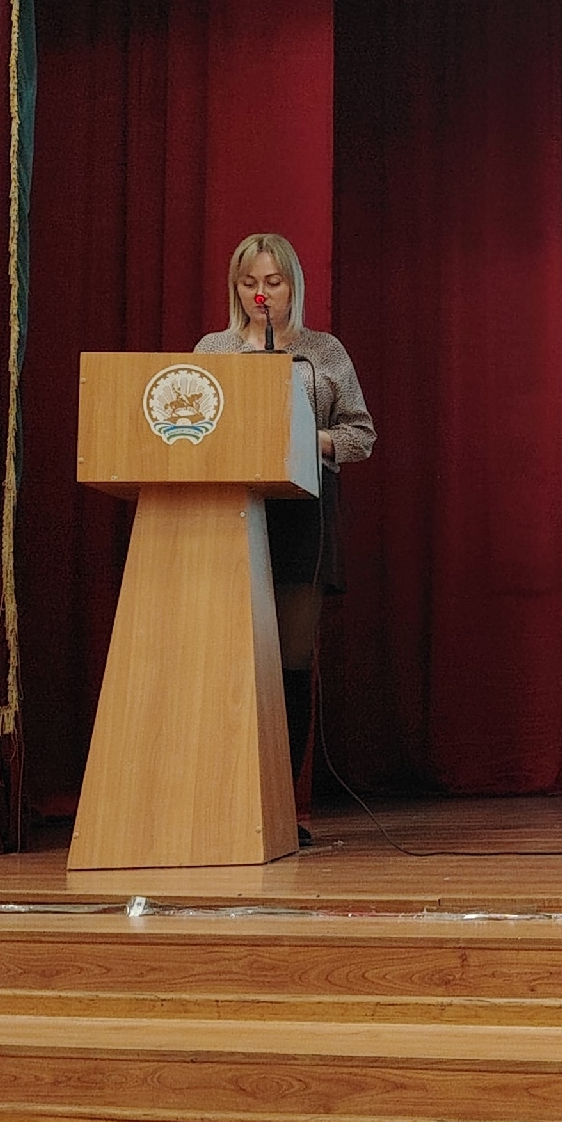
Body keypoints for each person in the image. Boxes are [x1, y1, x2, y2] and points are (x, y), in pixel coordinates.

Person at [194, 233, 374, 823]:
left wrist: (306, 435)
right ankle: (224, 804)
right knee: (233, 657)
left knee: (290, 659)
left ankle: (280, 805)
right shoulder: (213, 350)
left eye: (273, 282)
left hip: (303, 517)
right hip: (232, 513)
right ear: (236, 287)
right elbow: (195, 428)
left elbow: (361, 436)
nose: (261, 294)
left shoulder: (323, 352)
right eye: (250, 283)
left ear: (293, 285)